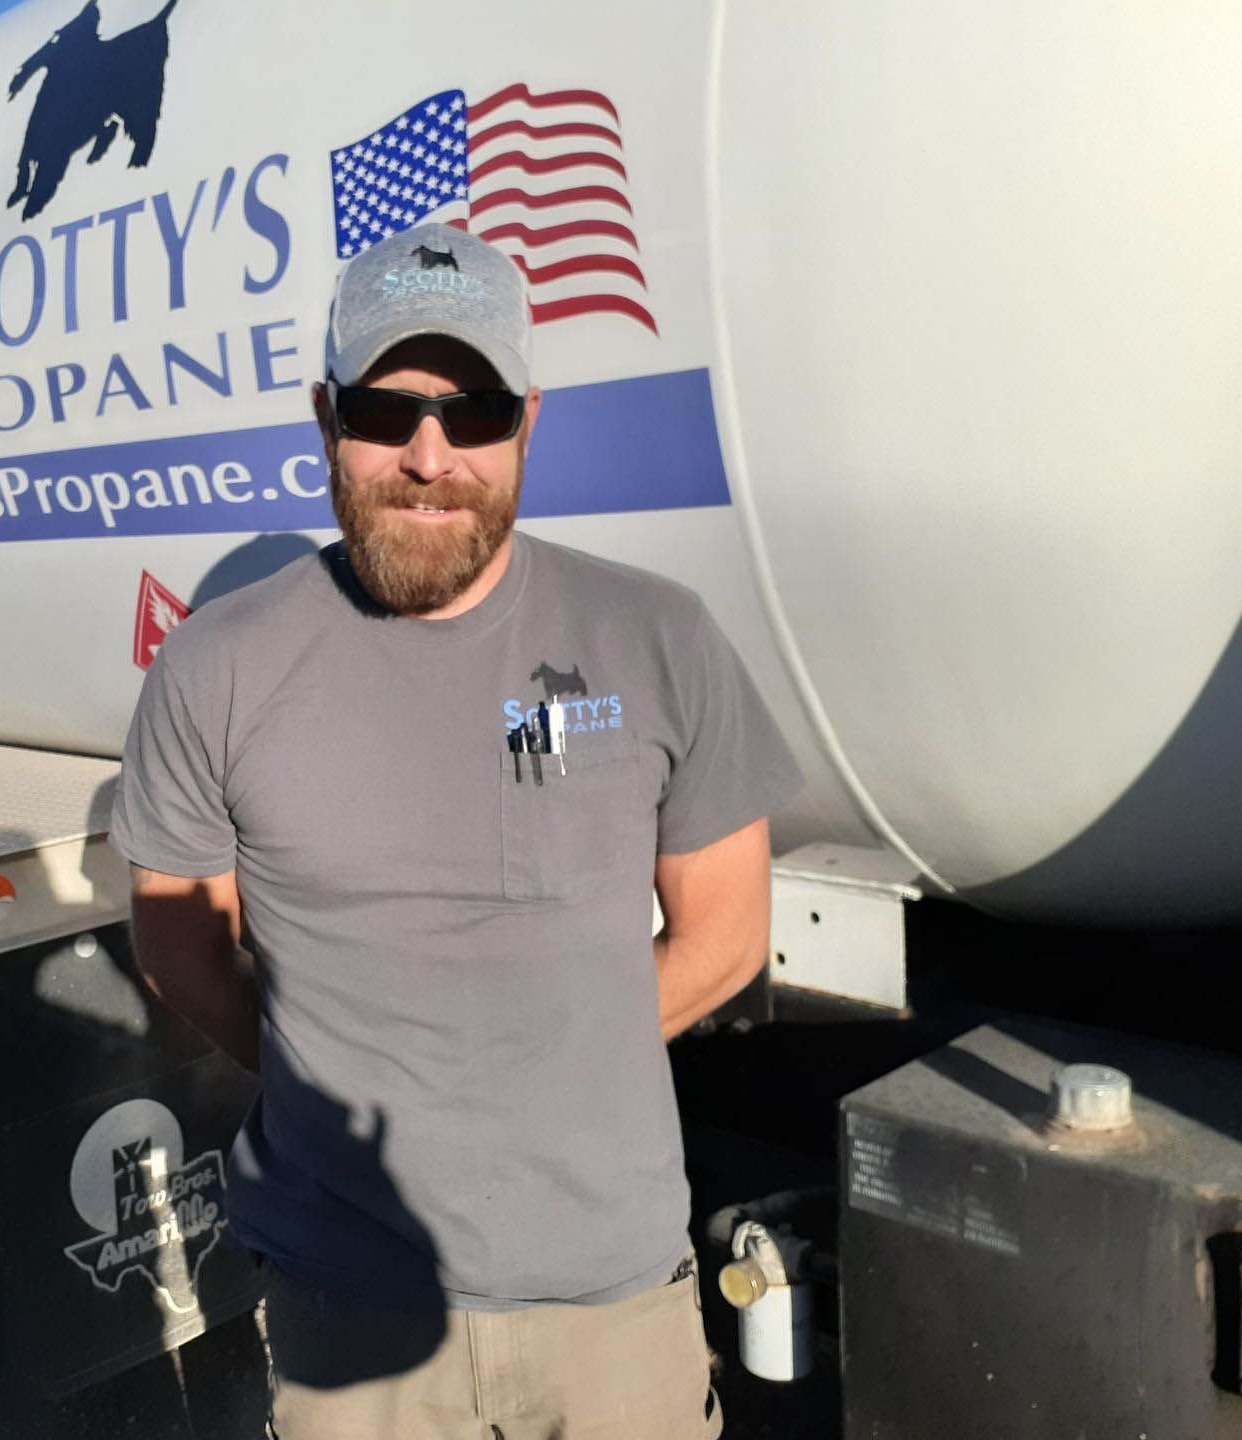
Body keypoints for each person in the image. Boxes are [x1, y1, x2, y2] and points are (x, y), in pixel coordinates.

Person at [111, 222, 800, 1439]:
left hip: (615, 1316)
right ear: (327, 418)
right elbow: (180, 953)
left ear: (527, 421)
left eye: (473, 412)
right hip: (348, 1324)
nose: (431, 457)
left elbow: (729, 936)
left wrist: (548, 1076)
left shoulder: (660, 638)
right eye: (388, 410)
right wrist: (345, 1084)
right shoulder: (217, 664)